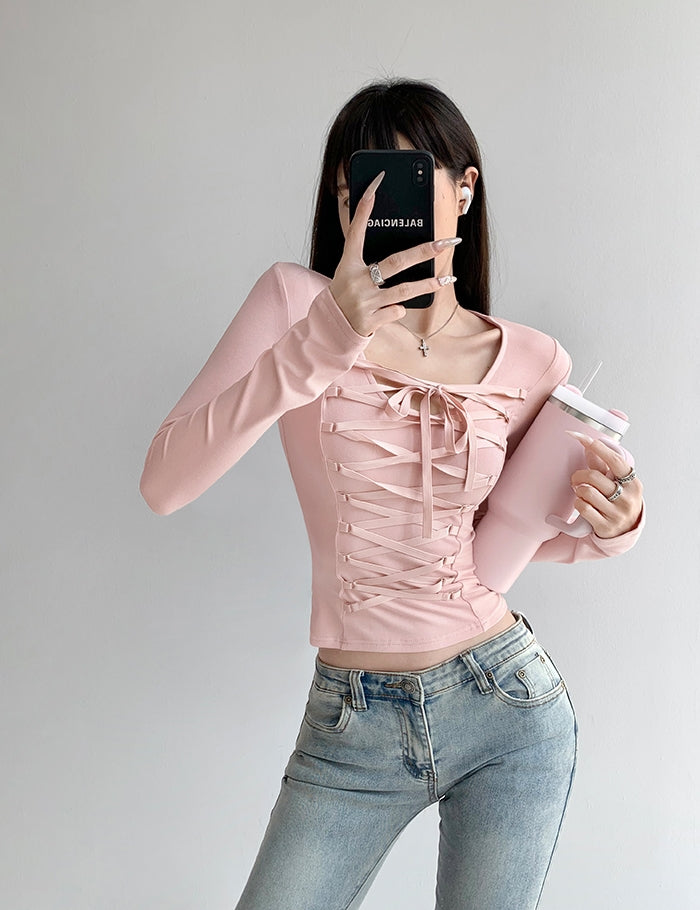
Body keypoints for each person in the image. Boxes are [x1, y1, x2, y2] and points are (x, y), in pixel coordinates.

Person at [139, 77, 645, 910]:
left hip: (506, 703)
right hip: (352, 724)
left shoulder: (533, 360)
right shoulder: (293, 305)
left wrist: (618, 524)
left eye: (406, 179)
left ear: (464, 189)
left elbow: (518, 533)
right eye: (357, 188)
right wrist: (322, 342)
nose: (379, 206)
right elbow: (164, 483)